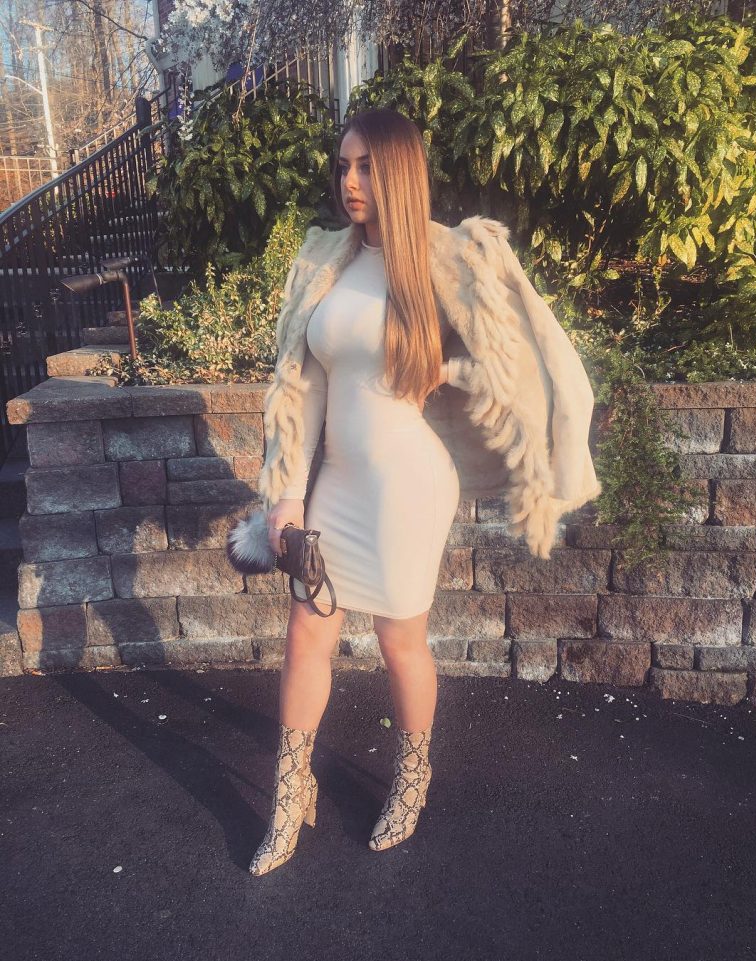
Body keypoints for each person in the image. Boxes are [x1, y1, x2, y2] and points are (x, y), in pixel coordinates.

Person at [249, 107, 600, 876]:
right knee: (306, 632)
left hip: (408, 483)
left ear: (399, 172)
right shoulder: (326, 259)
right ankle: (289, 791)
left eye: (366, 166)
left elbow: (518, 366)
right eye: (343, 165)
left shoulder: (446, 259)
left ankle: (411, 778)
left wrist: (447, 369)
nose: (349, 181)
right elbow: (301, 386)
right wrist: (287, 496)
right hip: (337, 482)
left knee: (397, 639)